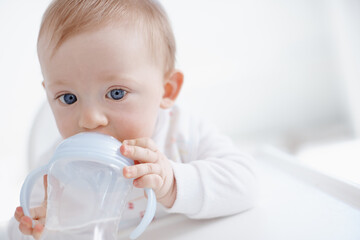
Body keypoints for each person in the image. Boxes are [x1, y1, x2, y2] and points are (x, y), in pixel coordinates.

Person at [9, 0, 257, 239]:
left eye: (116, 93)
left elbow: (246, 184)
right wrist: (45, 226)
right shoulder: (59, 169)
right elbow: (13, 230)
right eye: (68, 98)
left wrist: (173, 184)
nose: (89, 120)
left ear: (167, 89)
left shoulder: (181, 133)